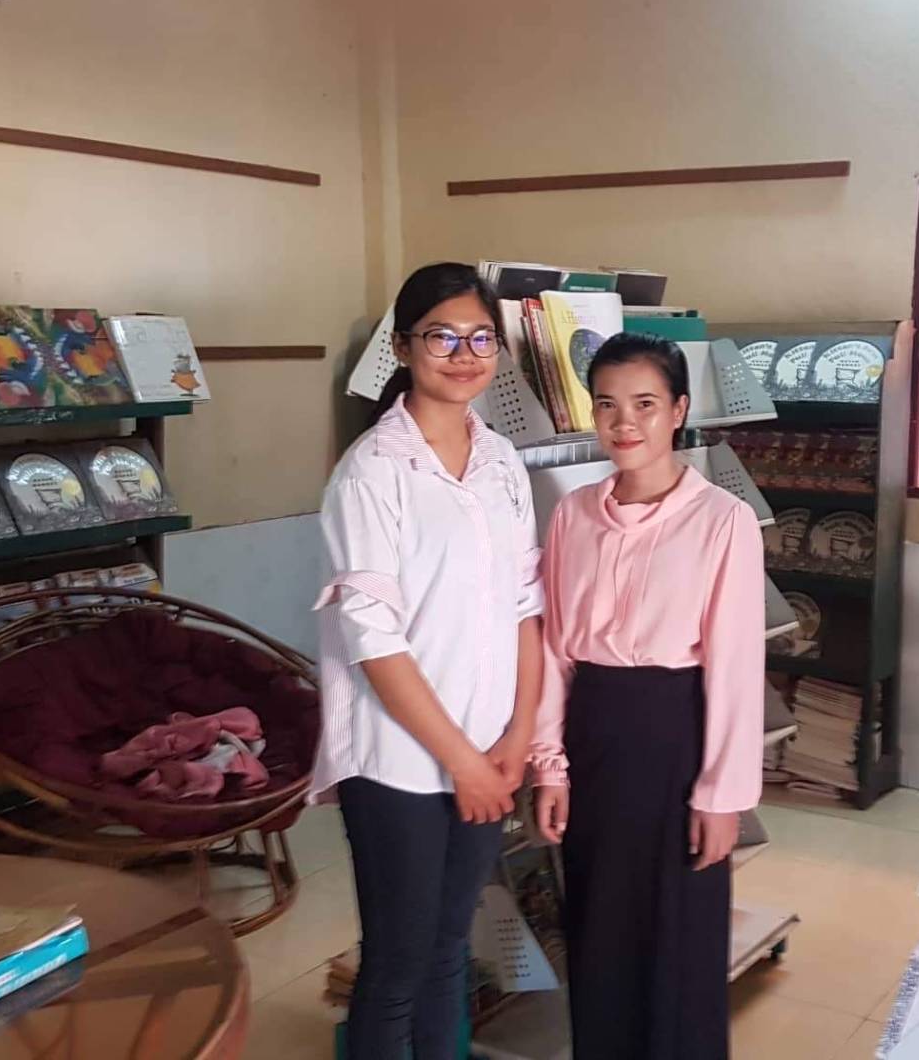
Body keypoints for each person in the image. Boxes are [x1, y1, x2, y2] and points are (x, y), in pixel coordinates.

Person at [310, 262, 544, 1060]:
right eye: (442, 336)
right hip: (401, 763)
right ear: (405, 347)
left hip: (488, 751)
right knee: (398, 964)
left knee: (450, 954)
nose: (464, 354)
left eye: (481, 338)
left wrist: (518, 736)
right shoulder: (373, 471)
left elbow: (525, 606)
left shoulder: (502, 461)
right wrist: (464, 764)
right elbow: (373, 639)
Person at [531, 333, 765, 1059]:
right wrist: (550, 765)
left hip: (676, 740)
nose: (624, 423)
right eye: (607, 405)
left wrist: (722, 796)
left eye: (644, 404)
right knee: (598, 927)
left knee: (677, 932)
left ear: (679, 411)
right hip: (593, 738)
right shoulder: (572, 514)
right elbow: (554, 648)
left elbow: (734, 666)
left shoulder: (720, 520)